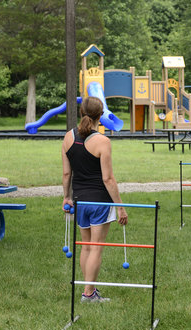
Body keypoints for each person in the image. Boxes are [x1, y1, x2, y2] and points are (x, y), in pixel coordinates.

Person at [62, 96, 128, 303]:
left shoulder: (68, 138)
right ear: (101, 116)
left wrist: (66, 197)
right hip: (100, 201)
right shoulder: (102, 141)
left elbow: (66, 174)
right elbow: (108, 178)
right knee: (96, 247)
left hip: (80, 201)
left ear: (82, 112)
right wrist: (120, 208)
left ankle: (88, 290)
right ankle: (88, 294)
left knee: (86, 247)